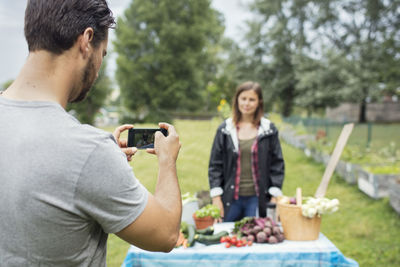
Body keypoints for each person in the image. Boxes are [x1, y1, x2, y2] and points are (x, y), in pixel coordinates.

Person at [0, 0, 182, 266]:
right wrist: (167, 160)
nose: (99, 67)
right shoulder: (88, 151)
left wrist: (95, 167)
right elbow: (165, 234)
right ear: (86, 40)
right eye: (103, 53)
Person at [208, 81, 285, 222]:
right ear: (237, 100)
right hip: (230, 198)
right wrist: (216, 198)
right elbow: (215, 166)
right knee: (227, 237)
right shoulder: (225, 129)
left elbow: (277, 164)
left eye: (252, 99)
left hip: (256, 198)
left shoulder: (268, 129)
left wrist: (275, 196)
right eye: (243, 98)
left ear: (259, 102)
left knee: (254, 237)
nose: (247, 103)